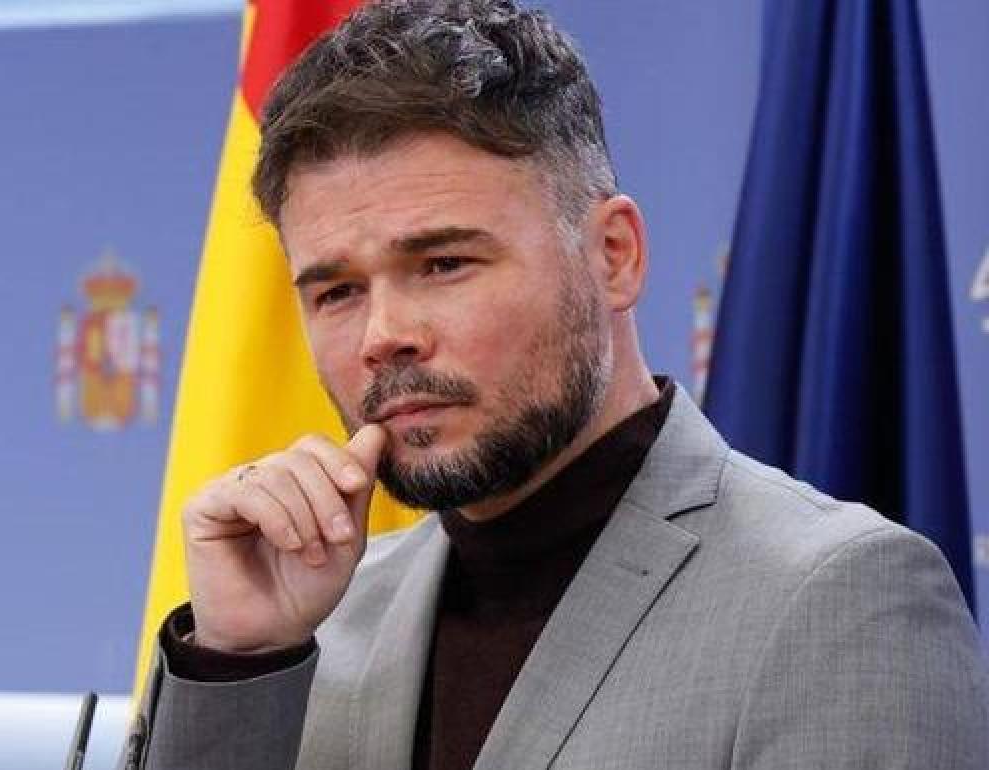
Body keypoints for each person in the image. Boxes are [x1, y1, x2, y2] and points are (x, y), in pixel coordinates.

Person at [120, 1, 989, 768]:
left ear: (614, 256)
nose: (384, 335)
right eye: (338, 291)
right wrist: (238, 664)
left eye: (445, 263)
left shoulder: (836, 599)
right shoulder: (312, 626)